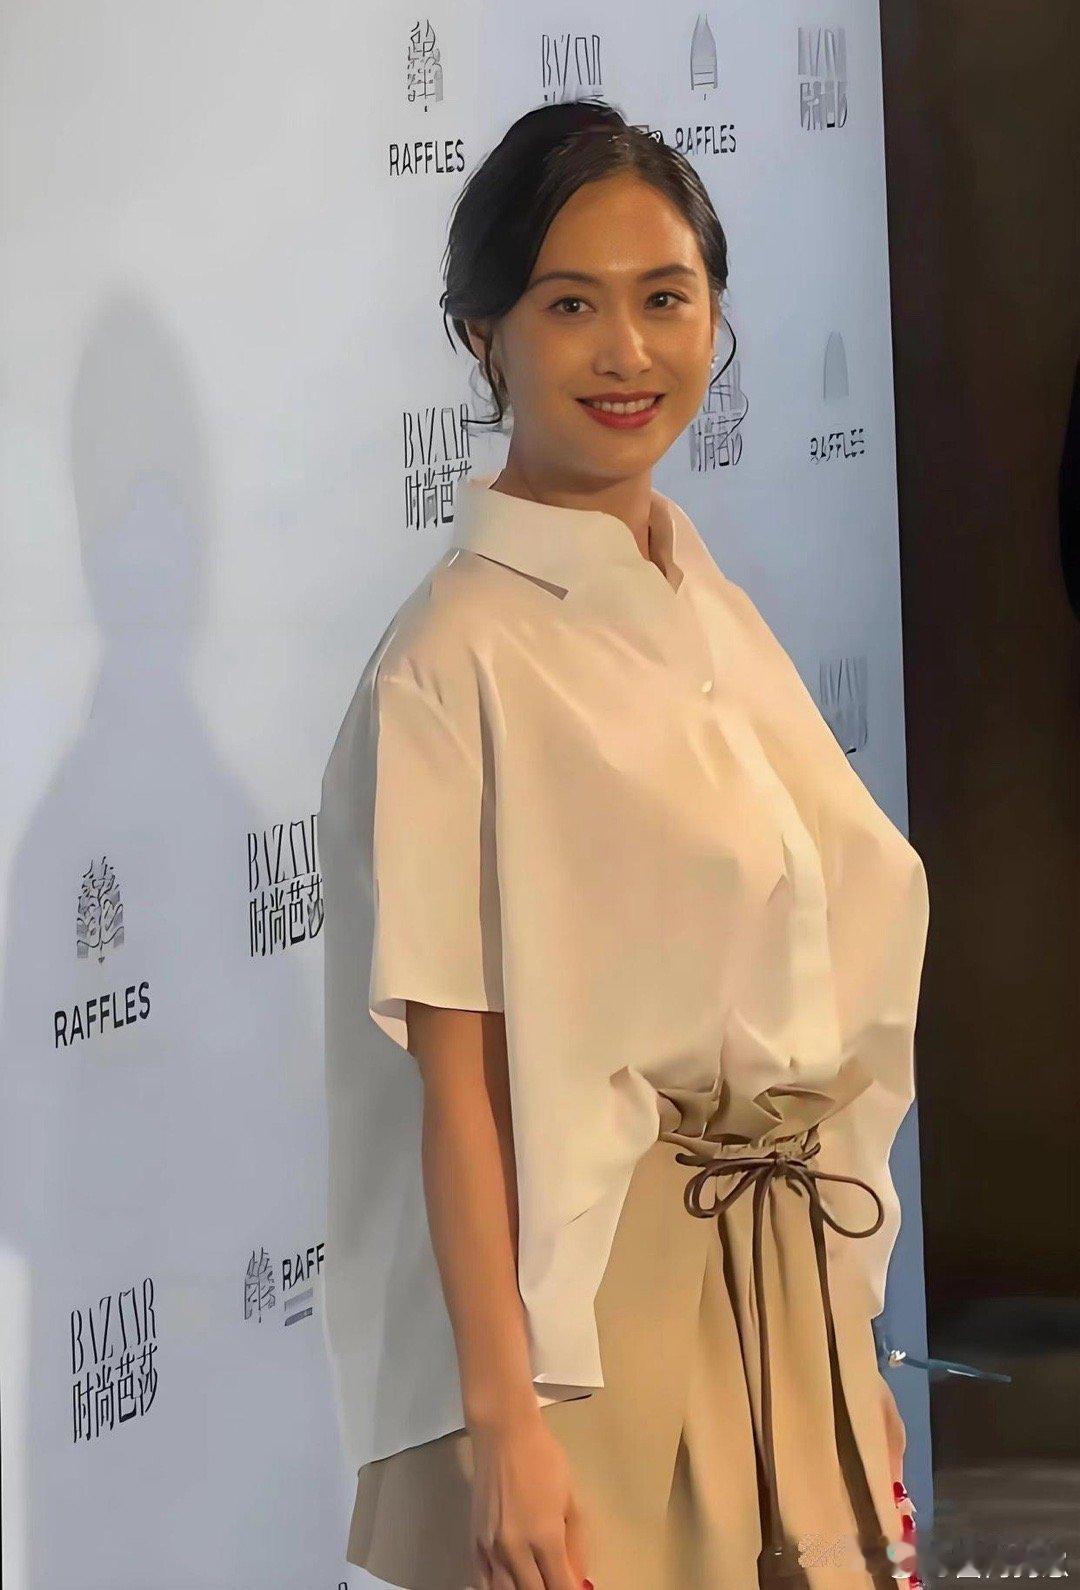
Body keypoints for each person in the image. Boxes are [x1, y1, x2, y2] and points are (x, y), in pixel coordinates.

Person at [319, 100, 928, 1590]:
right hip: (580, 1326)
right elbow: (455, 1088)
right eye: (569, 305)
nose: (628, 352)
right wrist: (504, 1425)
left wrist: (844, 1355)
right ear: (483, 335)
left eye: (666, 298)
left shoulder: (704, 600)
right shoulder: (452, 661)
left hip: (780, 1289)